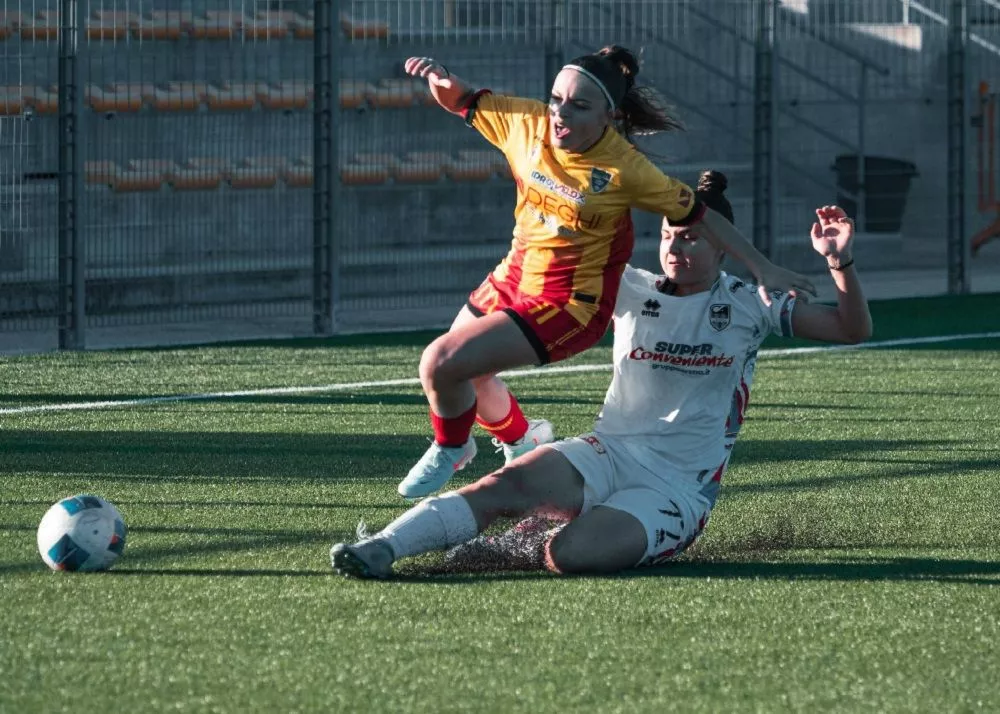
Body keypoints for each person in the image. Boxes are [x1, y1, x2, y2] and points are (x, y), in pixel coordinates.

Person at [331, 174, 872, 578]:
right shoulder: (629, 286)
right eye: (669, 236)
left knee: (570, 555)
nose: (676, 247)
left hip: (676, 488)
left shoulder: (750, 302)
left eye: (692, 239)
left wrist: (838, 262)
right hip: (605, 451)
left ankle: (530, 533)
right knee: (500, 485)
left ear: (722, 248)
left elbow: (851, 331)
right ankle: (382, 547)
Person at [395, 46, 817, 501]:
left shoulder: (626, 167)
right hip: (512, 276)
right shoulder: (527, 123)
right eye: (556, 99)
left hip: (569, 304)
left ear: (609, 116)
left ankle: (452, 447)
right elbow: (464, 100)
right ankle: (522, 439)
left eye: (579, 106)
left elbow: (700, 215)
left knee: (441, 362)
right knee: (468, 374)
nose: (560, 113)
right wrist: (442, 80)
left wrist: (762, 266)